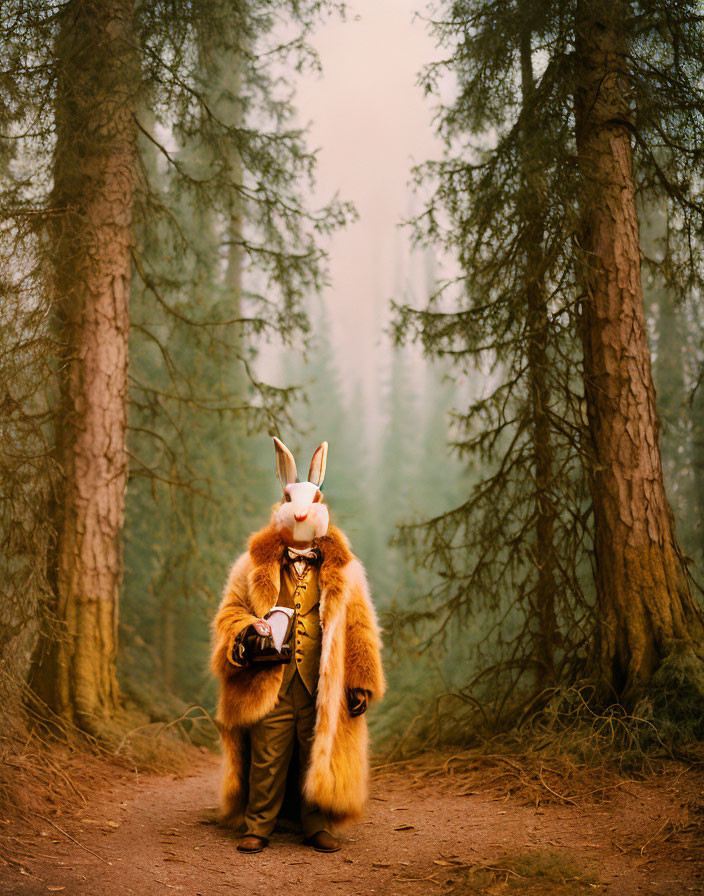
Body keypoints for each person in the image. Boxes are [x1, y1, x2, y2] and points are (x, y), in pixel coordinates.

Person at [210, 438, 385, 853]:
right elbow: (230, 612)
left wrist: (360, 680)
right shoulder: (252, 566)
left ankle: (315, 823)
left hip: (319, 684)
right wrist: (244, 632)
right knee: (268, 755)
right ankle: (259, 824)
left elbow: (359, 627)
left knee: (316, 749)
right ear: (283, 509)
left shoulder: (345, 571)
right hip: (269, 679)